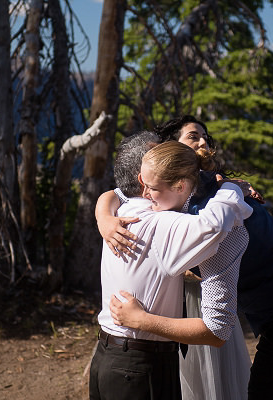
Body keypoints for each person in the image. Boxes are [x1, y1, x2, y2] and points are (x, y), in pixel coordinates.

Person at [104, 141, 273, 399]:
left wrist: (141, 320)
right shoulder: (205, 185)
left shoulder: (218, 230)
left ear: (180, 186)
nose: (144, 195)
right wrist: (104, 217)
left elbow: (217, 330)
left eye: (151, 188)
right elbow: (119, 194)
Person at [86, 140, 252, 400]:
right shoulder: (164, 225)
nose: (147, 191)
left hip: (105, 359)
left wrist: (102, 215)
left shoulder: (124, 212)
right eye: (145, 184)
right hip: (140, 367)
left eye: (151, 186)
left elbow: (114, 195)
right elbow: (216, 226)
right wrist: (230, 188)